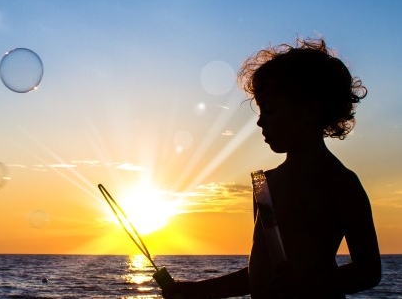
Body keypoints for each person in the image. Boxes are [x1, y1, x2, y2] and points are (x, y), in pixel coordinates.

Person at [163, 36, 381, 299]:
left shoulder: (340, 182)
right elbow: (260, 274)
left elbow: (368, 271)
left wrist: (309, 284)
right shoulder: (265, 185)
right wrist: (197, 291)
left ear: (310, 111)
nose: (260, 122)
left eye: (270, 110)